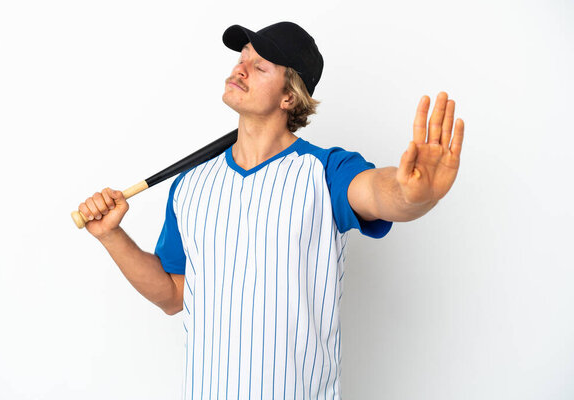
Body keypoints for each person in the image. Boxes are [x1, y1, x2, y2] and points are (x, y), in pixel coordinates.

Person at [77, 21, 464, 400]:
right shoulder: (190, 185)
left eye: (260, 66)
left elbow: (380, 195)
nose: (240, 68)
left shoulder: (325, 171)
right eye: (242, 57)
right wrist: (111, 235)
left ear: (289, 97)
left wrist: (413, 193)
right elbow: (172, 296)